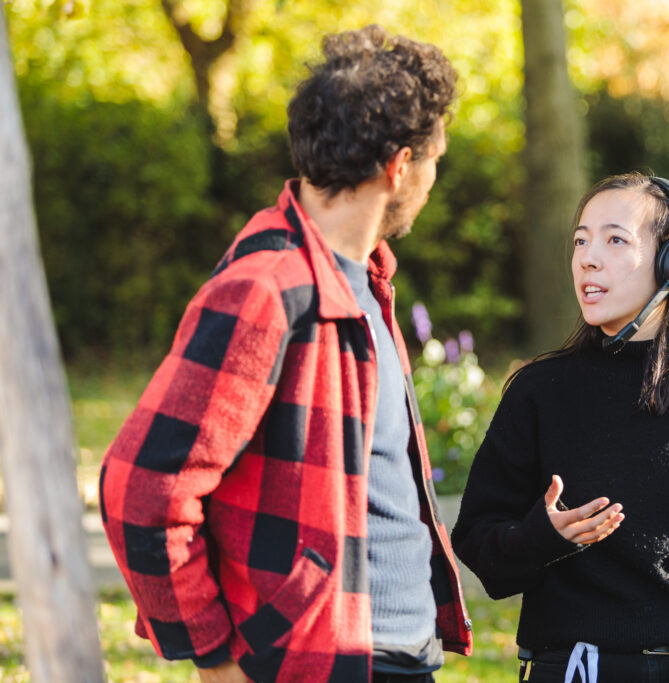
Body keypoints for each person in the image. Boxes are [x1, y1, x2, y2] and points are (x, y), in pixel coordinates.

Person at [100, 26, 472, 683]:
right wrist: (214, 659)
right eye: (434, 161)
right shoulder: (268, 289)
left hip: (393, 657)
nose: (432, 179)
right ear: (400, 166)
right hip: (311, 663)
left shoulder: (365, 280)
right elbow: (142, 488)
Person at [452, 172, 669, 682]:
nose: (587, 257)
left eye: (615, 239)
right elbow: (479, 542)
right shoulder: (539, 391)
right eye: (581, 240)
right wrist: (543, 536)